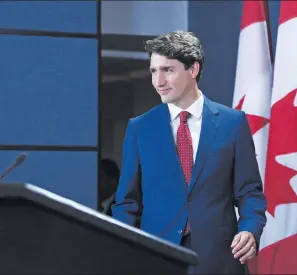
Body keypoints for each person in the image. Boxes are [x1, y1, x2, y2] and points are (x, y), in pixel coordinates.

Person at [111, 30, 267, 274]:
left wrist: (249, 228)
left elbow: (250, 192)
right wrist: (124, 251)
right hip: (156, 259)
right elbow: (128, 201)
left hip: (220, 260)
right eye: (154, 70)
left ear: (193, 70)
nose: (158, 81)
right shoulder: (140, 128)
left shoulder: (232, 123)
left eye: (168, 70)